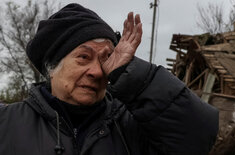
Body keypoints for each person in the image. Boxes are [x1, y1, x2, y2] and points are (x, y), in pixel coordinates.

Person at [0, 3, 218, 155]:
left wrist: (133, 75)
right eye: (83, 57)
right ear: (52, 68)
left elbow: (197, 139)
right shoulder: (7, 124)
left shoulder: (132, 126)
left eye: (106, 58)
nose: (97, 71)